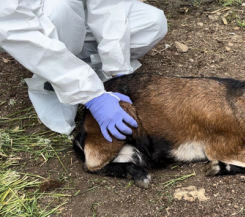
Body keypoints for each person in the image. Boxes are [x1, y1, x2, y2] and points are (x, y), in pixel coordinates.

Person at [0, 0, 167, 142]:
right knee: (61, 7)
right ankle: (57, 81)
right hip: (35, 24)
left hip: (77, 17)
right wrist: (92, 96)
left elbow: (107, 7)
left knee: (152, 23)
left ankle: (90, 73)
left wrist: (118, 68)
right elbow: (14, 28)